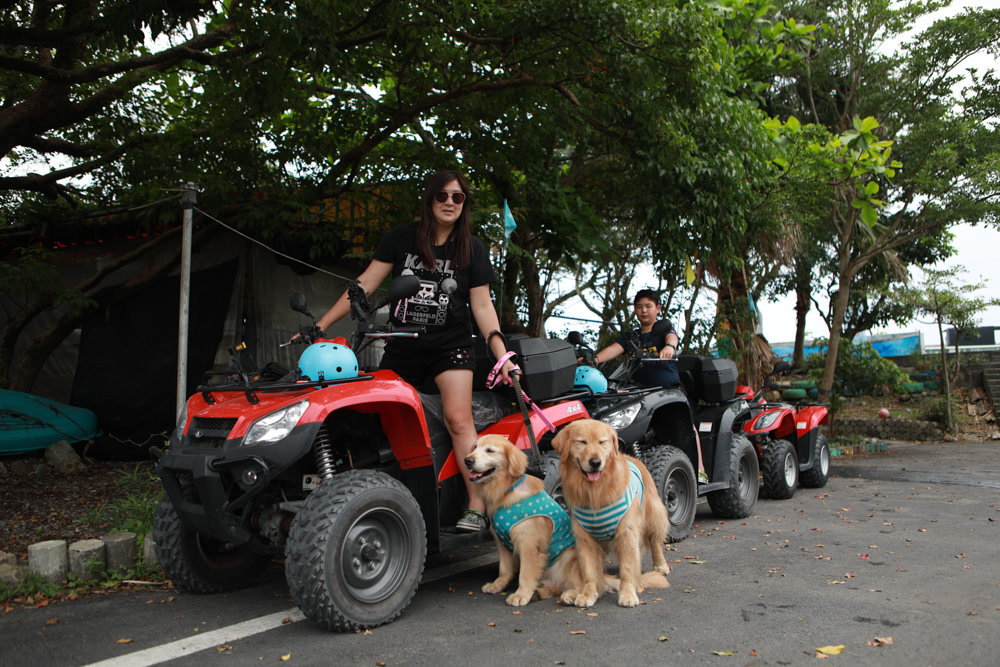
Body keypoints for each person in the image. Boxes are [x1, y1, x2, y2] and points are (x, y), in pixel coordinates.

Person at [314, 170, 516, 532]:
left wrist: (501, 353)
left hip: (450, 344)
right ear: (429, 200)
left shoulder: (472, 247)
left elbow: (482, 305)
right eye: (442, 196)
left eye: (458, 197)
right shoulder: (403, 238)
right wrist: (322, 325)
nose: (450, 203)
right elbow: (364, 285)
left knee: (458, 418)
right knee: (373, 417)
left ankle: (477, 506)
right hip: (403, 342)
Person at [592, 289, 707, 482]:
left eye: (648, 306)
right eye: (639, 307)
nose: (643, 311)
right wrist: (594, 360)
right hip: (639, 391)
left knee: (687, 426)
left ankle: (700, 469)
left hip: (668, 389)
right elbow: (615, 349)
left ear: (657, 309)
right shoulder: (632, 337)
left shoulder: (663, 330)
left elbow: (672, 337)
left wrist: (669, 347)